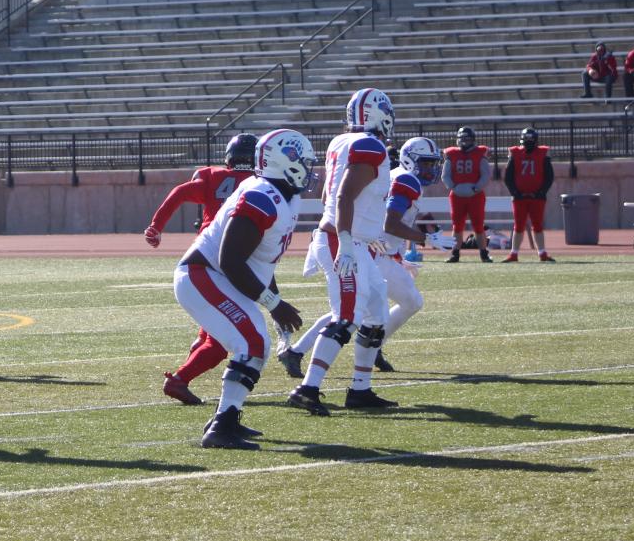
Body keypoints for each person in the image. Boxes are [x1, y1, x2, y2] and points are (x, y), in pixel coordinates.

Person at [175, 129, 312, 447]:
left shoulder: (282, 195)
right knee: (252, 342)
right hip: (204, 274)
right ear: (284, 162)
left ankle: (227, 419)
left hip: (223, 277)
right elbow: (231, 259)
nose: (308, 168)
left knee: (257, 344)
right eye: (303, 161)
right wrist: (273, 303)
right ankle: (221, 428)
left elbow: (261, 260)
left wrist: (273, 298)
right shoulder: (261, 196)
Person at [280, 136, 439, 379]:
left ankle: (300, 352)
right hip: (366, 247)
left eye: (432, 164)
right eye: (426, 163)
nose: (430, 169)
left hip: (369, 246)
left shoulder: (395, 175)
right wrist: (423, 239)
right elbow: (389, 222)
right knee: (374, 307)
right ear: (411, 159)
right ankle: (368, 350)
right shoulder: (405, 179)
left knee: (354, 308)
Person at [288, 88, 399, 416]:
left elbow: (328, 194)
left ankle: (360, 390)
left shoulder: (342, 142)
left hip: (352, 239)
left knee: (377, 315)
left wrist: (366, 234)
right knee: (346, 318)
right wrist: (349, 241)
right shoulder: (370, 145)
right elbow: (343, 197)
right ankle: (308, 388)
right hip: (342, 242)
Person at [142, 133, 259, 406]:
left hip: (201, 257)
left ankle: (198, 347)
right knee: (224, 341)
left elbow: (180, 193)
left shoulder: (213, 176)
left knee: (214, 330)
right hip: (228, 262)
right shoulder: (259, 184)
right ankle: (180, 379)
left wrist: (156, 226)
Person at [503, 128, 555, 263]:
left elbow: (549, 176)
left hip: (537, 197)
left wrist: (541, 191)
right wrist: (515, 192)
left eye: (531, 140)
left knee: (537, 225)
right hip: (519, 197)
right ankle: (514, 254)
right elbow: (508, 177)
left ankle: (542, 253)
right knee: (518, 225)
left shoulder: (542, 153)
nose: (529, 142)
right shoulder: (515, 153)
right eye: (527, 139)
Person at [443, 127, 492, 263]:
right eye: (462, 138)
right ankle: (455, 253)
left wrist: (476, 187)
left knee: (478, 225)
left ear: (473, 140)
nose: (465, 141)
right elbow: (445, 175)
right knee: (457, 226)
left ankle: (483, 253)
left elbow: (486, 174)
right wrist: (453, 186)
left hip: (475, 195)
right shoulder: (451, 154)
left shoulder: (479, 153)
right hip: (457, 195)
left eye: (467, 138)